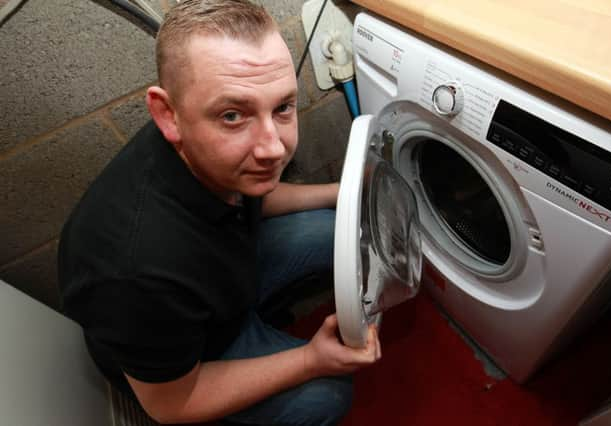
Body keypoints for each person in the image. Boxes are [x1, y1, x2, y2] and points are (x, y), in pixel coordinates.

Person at [57, 0, 381, 425]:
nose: (274, 148)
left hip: (220, 275)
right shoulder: (136, 272)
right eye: (233, 115)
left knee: (330, 229)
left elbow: (254, 195)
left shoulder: (201, 136)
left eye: (283, 107)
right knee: (325, 396)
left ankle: (254, 318)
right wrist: (311, 360)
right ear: (167, 115)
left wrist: (339, 192)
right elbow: (171, 404)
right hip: (189, 358)